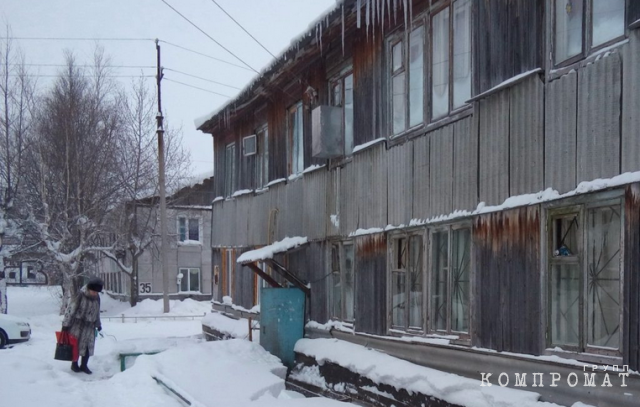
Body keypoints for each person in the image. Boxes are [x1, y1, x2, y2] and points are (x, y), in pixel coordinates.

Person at [61, 277, 103, 374]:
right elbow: (70, 310)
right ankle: (74, 364)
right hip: (78, 325)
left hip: (90, 327)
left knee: (88, 347)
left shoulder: (97, 298)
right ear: (89, 289)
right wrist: (65, 325)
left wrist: (98, 324)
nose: (95, 294)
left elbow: (97, 313)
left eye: (97, 292)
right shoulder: (80, 295)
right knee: (76, 346)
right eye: (93, 291)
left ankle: (84, 365)